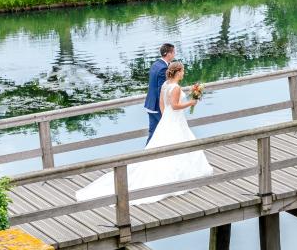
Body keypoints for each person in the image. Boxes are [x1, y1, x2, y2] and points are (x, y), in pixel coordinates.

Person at [79, 60, 209, 205]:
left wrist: (166, 117)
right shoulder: (176, 87)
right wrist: (191, 103)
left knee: (168, 144)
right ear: (178, 72)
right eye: (183, 71)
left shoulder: (165, 85)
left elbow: (162, 104)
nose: (184, 73)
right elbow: (175, 105)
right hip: (174, 120)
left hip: (168, 120)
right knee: (181, 143)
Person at [144, 43, 176, 142]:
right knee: (169, 130)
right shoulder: (163, 68)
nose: (174, 54)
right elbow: (162, 90)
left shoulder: (156, 64)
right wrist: (165, 108)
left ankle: (146, 155)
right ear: (168, 54)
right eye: (173, 52)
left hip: (150, 105)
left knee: (153, 133)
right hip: (158, 106)